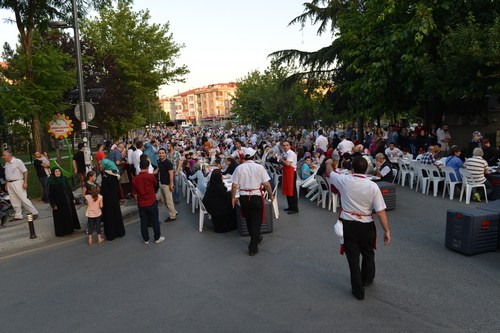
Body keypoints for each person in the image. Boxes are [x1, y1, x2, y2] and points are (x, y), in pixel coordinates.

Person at [326, 156, 391, 300]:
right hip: (366, 224)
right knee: (368, 253)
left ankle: (358, 290)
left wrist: (329, 161)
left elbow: (329, 171)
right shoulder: (373, 186)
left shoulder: (344, 180)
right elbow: (380, 211)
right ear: (366, 169)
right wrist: (386, 230)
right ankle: (367, 278)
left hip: (349, 224)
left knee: (353, 258)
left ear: (352, 169)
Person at [231, 147, 274, 256]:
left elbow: (234, 185)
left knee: (249, 219)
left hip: (244, 197)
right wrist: (271, 194)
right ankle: (253, 246)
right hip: (256, 197)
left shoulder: (239, 168)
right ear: (254, 157)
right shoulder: (259, 167)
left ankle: (255, 238)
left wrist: (232, 197)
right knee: (257, 222)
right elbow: (267, 184)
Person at [132, 159, 165, 244]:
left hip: (141, 202)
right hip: (151, 200)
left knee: (143, 221)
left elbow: (134, 193)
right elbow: (155, 184)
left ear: (140, 166)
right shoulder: (151, 176)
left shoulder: (135, 179)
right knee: (155, 220)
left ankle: (146, 239)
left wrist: (137, 201)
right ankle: (157, 237)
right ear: (147, 167)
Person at [2, 150, 38, 221]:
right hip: (10, 183)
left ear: (8, 155)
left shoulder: (18, 161)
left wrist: (25, 182)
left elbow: (25, 171)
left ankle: (34, 212)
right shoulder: (6, 163)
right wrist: (6, 183)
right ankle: (18, 215)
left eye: (4, 155)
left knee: (23, 198)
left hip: (18, 182)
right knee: (14, 200)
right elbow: (7, 174)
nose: (3, 157)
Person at [47, 167, 81, 236]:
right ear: (53, 173)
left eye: (59, 171)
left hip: (67, 199)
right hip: (59, 202)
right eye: (56, 171)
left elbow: (68, 188)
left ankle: (71, 229)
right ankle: (63, 232)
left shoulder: (64, 178)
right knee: (61, 217)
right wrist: (53, 204)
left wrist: (72, 198)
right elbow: (50, 194)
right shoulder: (51, 181)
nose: (58, 173)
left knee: (69, 214)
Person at [203, 169, 237, 233]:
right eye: (221, 176)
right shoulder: (218, 186)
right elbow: (225, 196)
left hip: (211, 205)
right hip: (217, 208)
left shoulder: (212, 184)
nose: (222, 177)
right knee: (233, 203)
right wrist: (231, 193)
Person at [99, 159, 126, 240]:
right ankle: (120, 232)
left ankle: (111, 234)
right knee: (116, 214)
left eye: (101, 165)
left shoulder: (105, 176)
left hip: (107, 199)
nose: (100, 166)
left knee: (109, 216)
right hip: (114, 197)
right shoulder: (115, 174)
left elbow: (104, 190)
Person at [157, 147, 177, 222]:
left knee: (169, 201)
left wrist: (171, 184)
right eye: (160, 153)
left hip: (167, 184)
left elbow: (171, 174)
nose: (161, 154)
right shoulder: (160, 161)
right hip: (161, 183)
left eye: (162, 153)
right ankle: (173, 211)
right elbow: (158, 170)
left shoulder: (168, 163)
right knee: (163, 200)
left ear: (165, 154)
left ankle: (172, 216)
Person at [281, 140, 298, 214]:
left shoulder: (291, 153)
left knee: (292, 190)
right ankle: (290, 206)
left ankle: (294, 208)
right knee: (288, 189)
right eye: (284, 145)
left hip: (291, 173)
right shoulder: (285, 153)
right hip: (287, 172)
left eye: (287, 145)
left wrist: (281, 159)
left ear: (290, 146)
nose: (285, 146)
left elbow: (288, 163)